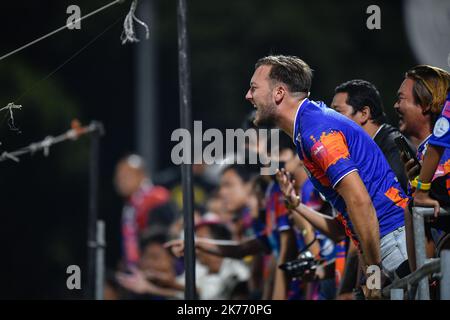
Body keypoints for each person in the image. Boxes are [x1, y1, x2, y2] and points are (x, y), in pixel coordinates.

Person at [245, 55, 409, 297]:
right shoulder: (308, 126)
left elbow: (359, 202)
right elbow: (347, 221)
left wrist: (372, 277)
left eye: (254, 88)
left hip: (393, 242)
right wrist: (297, 206)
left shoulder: (315, 130)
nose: (248, 96)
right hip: (385, 243)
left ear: (279, 93)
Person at [394, 65, 450, 271]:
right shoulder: (422, 155)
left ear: (425, 104)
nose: (395, 105)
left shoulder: (439, 146)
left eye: (401, 98)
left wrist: (421, 189)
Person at [332, 79, 412, 192]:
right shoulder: (363, 148)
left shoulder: (394, 147)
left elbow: (391, 197)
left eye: (337, 112)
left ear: (364, 114)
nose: (330, 120)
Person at [114, 154, 176, 270]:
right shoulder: (131, 205)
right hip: (136, 268)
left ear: (141, 175)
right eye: (118, 176)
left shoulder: (157, 197)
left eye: (125, 176)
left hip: (156, 268)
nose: (119, 181)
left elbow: (166, 236)